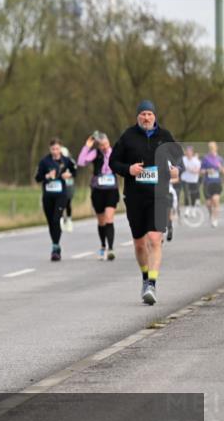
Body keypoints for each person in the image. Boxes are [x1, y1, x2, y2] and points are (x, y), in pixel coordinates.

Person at [110, 100, 183, 305]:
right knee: (140, 243)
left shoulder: (165, 137)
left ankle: (152, 283)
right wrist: (128, 170)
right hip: (135, 197)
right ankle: (144, 277)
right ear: (137, 117)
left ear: (155, 116)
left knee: (154, 238)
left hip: (159, 196)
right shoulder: (128, 136)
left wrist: (178, 170)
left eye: (149, 114)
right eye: (142, 114)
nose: (146, 117)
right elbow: (113, 162)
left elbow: (180, 161)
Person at [77, 132, 119, 260]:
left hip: (111, 190)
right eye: (101, 145)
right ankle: (103, 245)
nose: (104, 147)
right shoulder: (95, 154)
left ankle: (111, 248)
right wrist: (87, 147)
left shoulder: (115, 152)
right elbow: (81, 162)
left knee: (109, 218)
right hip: (98, 190)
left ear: (109, 142)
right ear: (98, 146)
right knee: (101, 221)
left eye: (105, 144)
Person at [36, 138, 77, 261]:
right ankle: (56, 245)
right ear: (50, 149)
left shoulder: (66, 160)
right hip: (48, 196)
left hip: (61, 195)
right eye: (53, 149)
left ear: (61, 149)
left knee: (56, 219)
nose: (55, 151)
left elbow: (75, 171)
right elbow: (37, 178)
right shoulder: (44, 162)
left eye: (57, 149)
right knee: (51, 222)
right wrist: (47, 176)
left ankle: (55, 248)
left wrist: (69, 175)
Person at [201, 141, 222, 227]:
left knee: (216, 200)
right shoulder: (205, 159)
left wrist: (220, 167)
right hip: (207, 183)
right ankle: (211, 215)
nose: (212, 149)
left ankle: (215, 218)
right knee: (209, 203)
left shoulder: (220, 159)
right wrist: (207, 171)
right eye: (210, 148)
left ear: (216, 148)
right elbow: (201, 171)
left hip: (217, 182)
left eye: (213, 148)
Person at [181, 145, 202, 217]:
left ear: (192, 152)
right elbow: (181, 167)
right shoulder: (183, 159)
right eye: (187, 151)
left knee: (193, 195)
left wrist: (192, 170)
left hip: (194, 180)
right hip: (185, 179)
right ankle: (187, 209)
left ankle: (193, 209)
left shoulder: (196, 161)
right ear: (186, 152)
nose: (188, 153)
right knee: (186, 194)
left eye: (190, 151)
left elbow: (197, 171)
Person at [60, 145, 76, 232]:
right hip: (60, 185)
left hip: (69, 185)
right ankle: (61, 220)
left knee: (68, 203)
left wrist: (69, 175)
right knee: (60, 203)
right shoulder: (57, 161)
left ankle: (69, 220)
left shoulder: (71, 161)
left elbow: (74, 172)